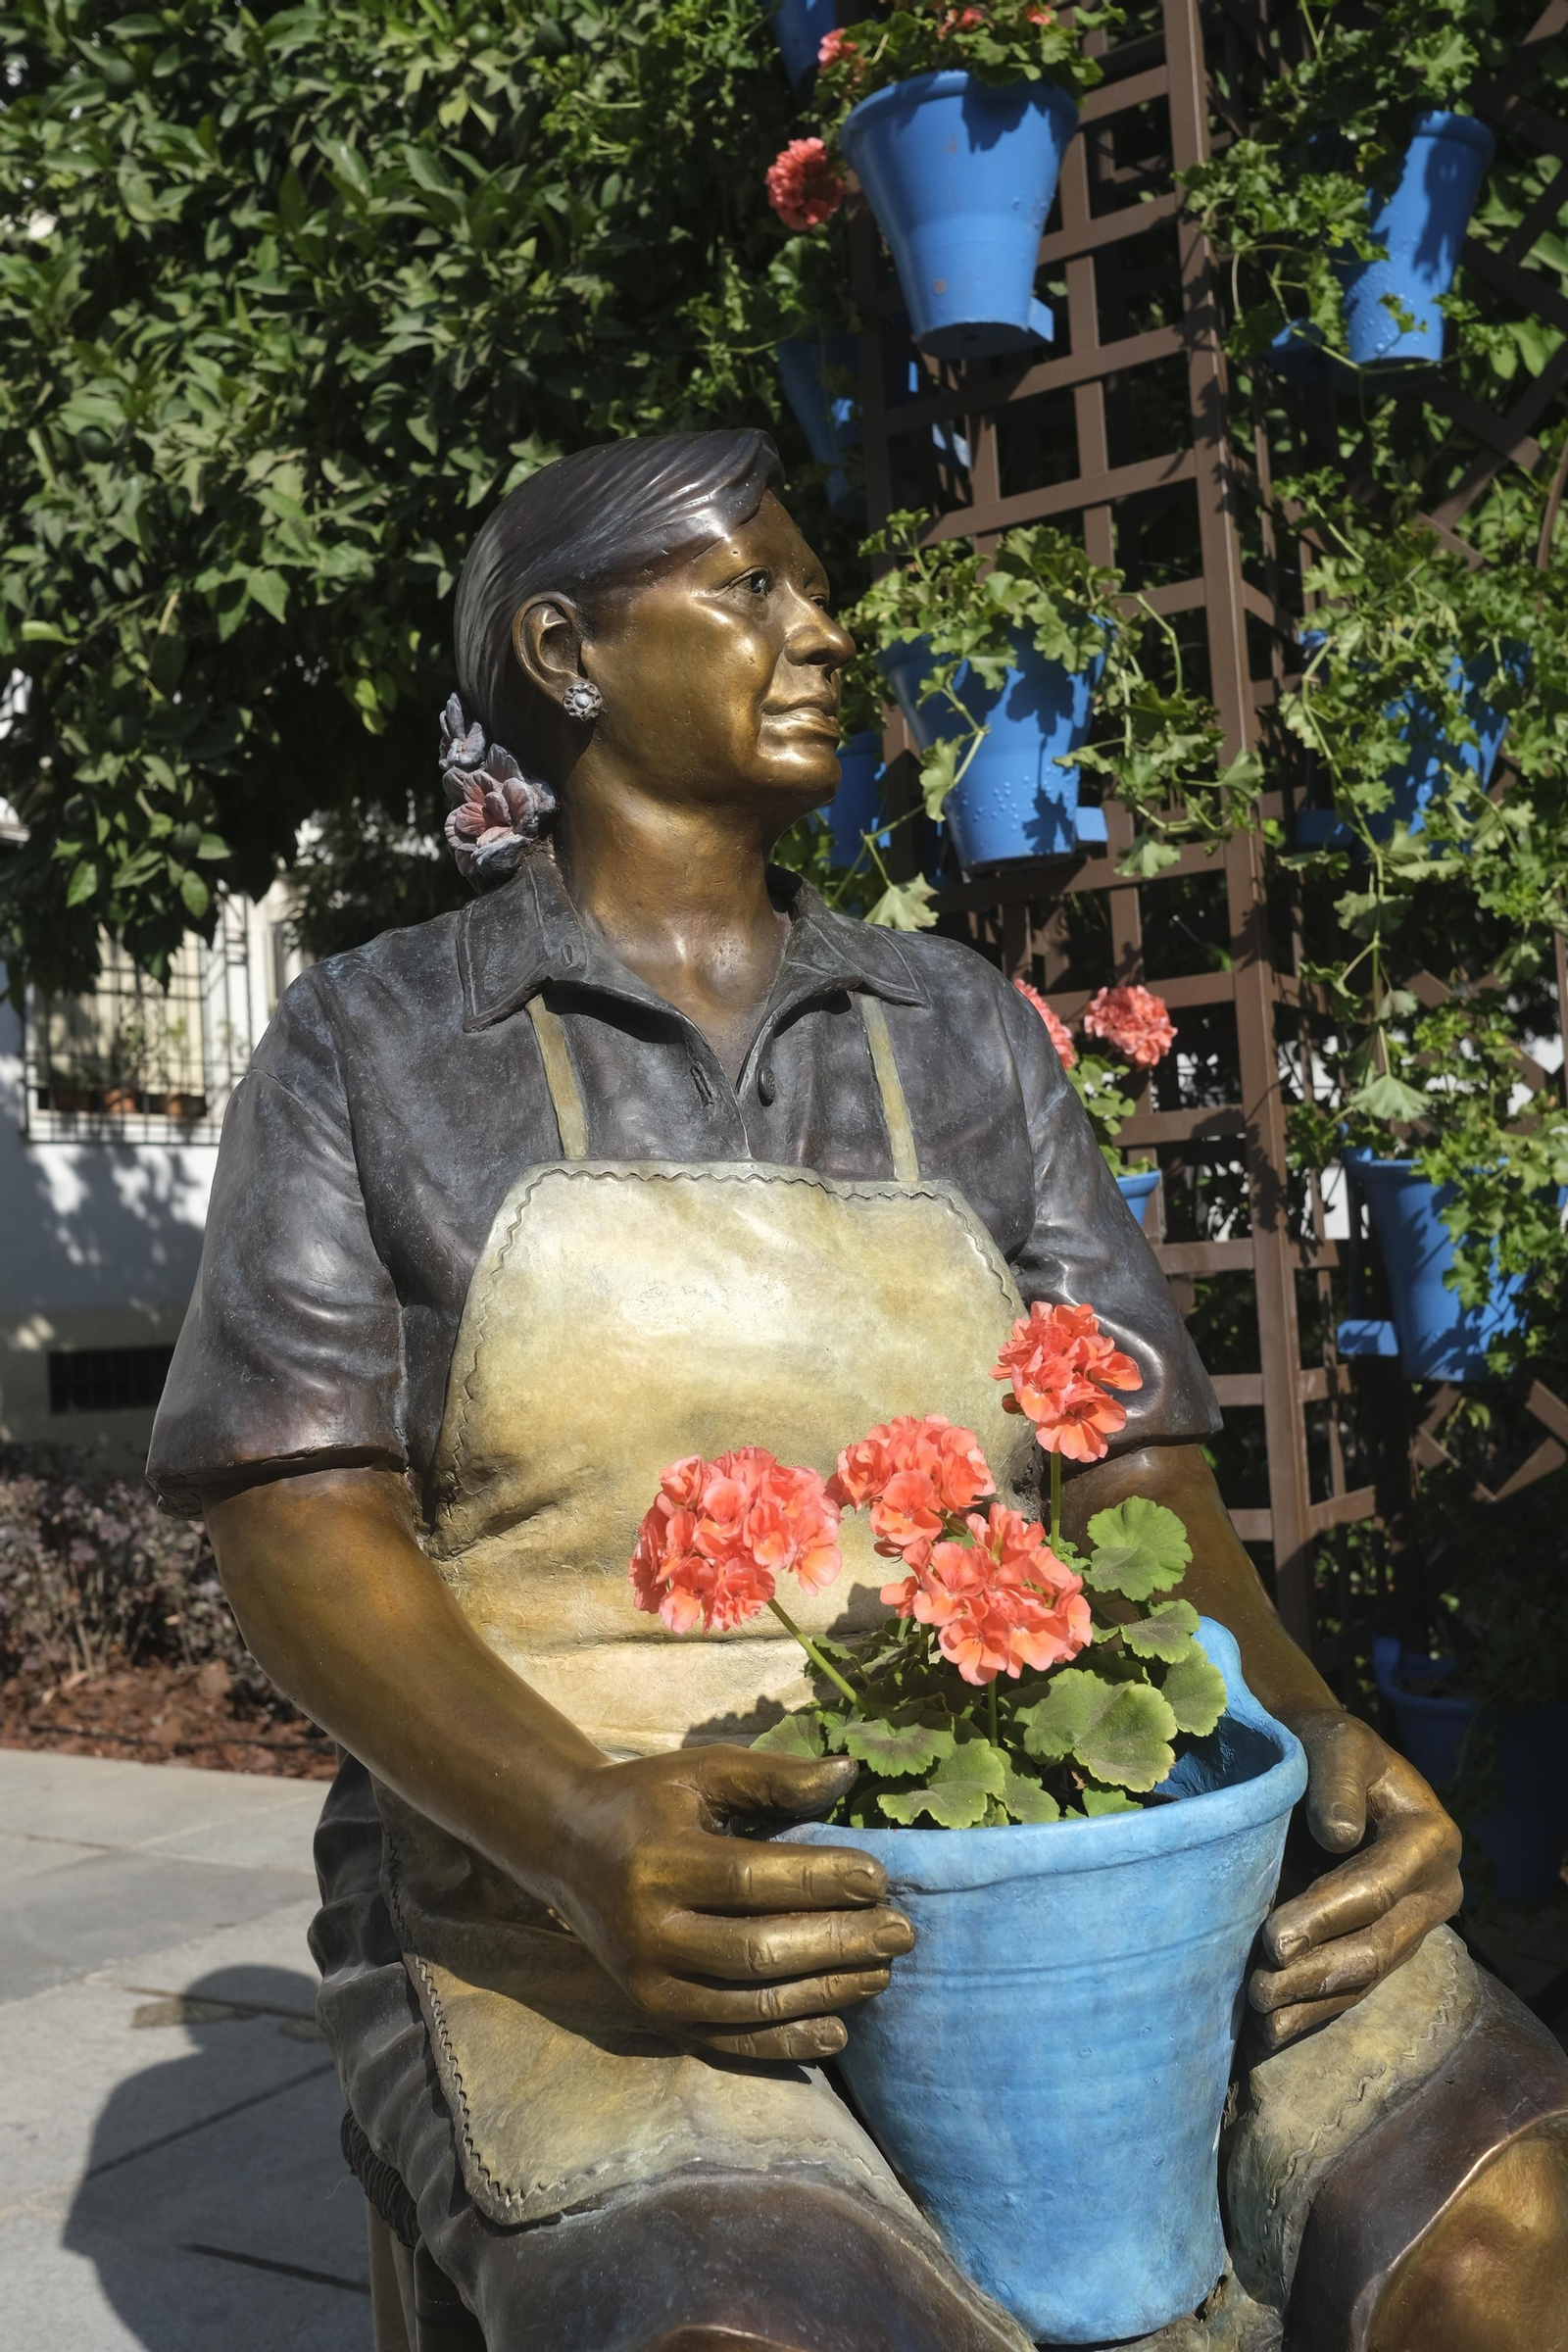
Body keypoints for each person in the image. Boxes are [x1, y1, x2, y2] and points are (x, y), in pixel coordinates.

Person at [148, 430, 1568, 2352]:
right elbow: (293, 1512)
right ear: (568, 653)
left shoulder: (960, 1031)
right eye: (749, 589)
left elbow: (1119, 1457)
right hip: (595, 1895)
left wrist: (1296, 1723)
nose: (822, 632)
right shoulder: (371, 1044)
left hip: (1059, 1830)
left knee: (1507, 2230)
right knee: (755, 2325)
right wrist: (572, 1827)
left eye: (810, 589)